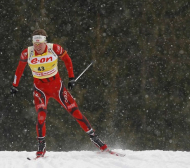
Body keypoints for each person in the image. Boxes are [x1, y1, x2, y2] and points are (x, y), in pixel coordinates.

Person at [10, 29, 107, 158]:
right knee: (41, 115)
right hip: (40, 90)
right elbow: (19, 70)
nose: (37, 47)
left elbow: (67, 60)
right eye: (35, 44)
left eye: (39, 44)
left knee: (75, 111)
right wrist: (14, 85)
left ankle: (95, 138)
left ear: (45, 42)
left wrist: (71, 78)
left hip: (58, 88)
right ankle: (41, 145)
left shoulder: (54, 48)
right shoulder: (27, 53)